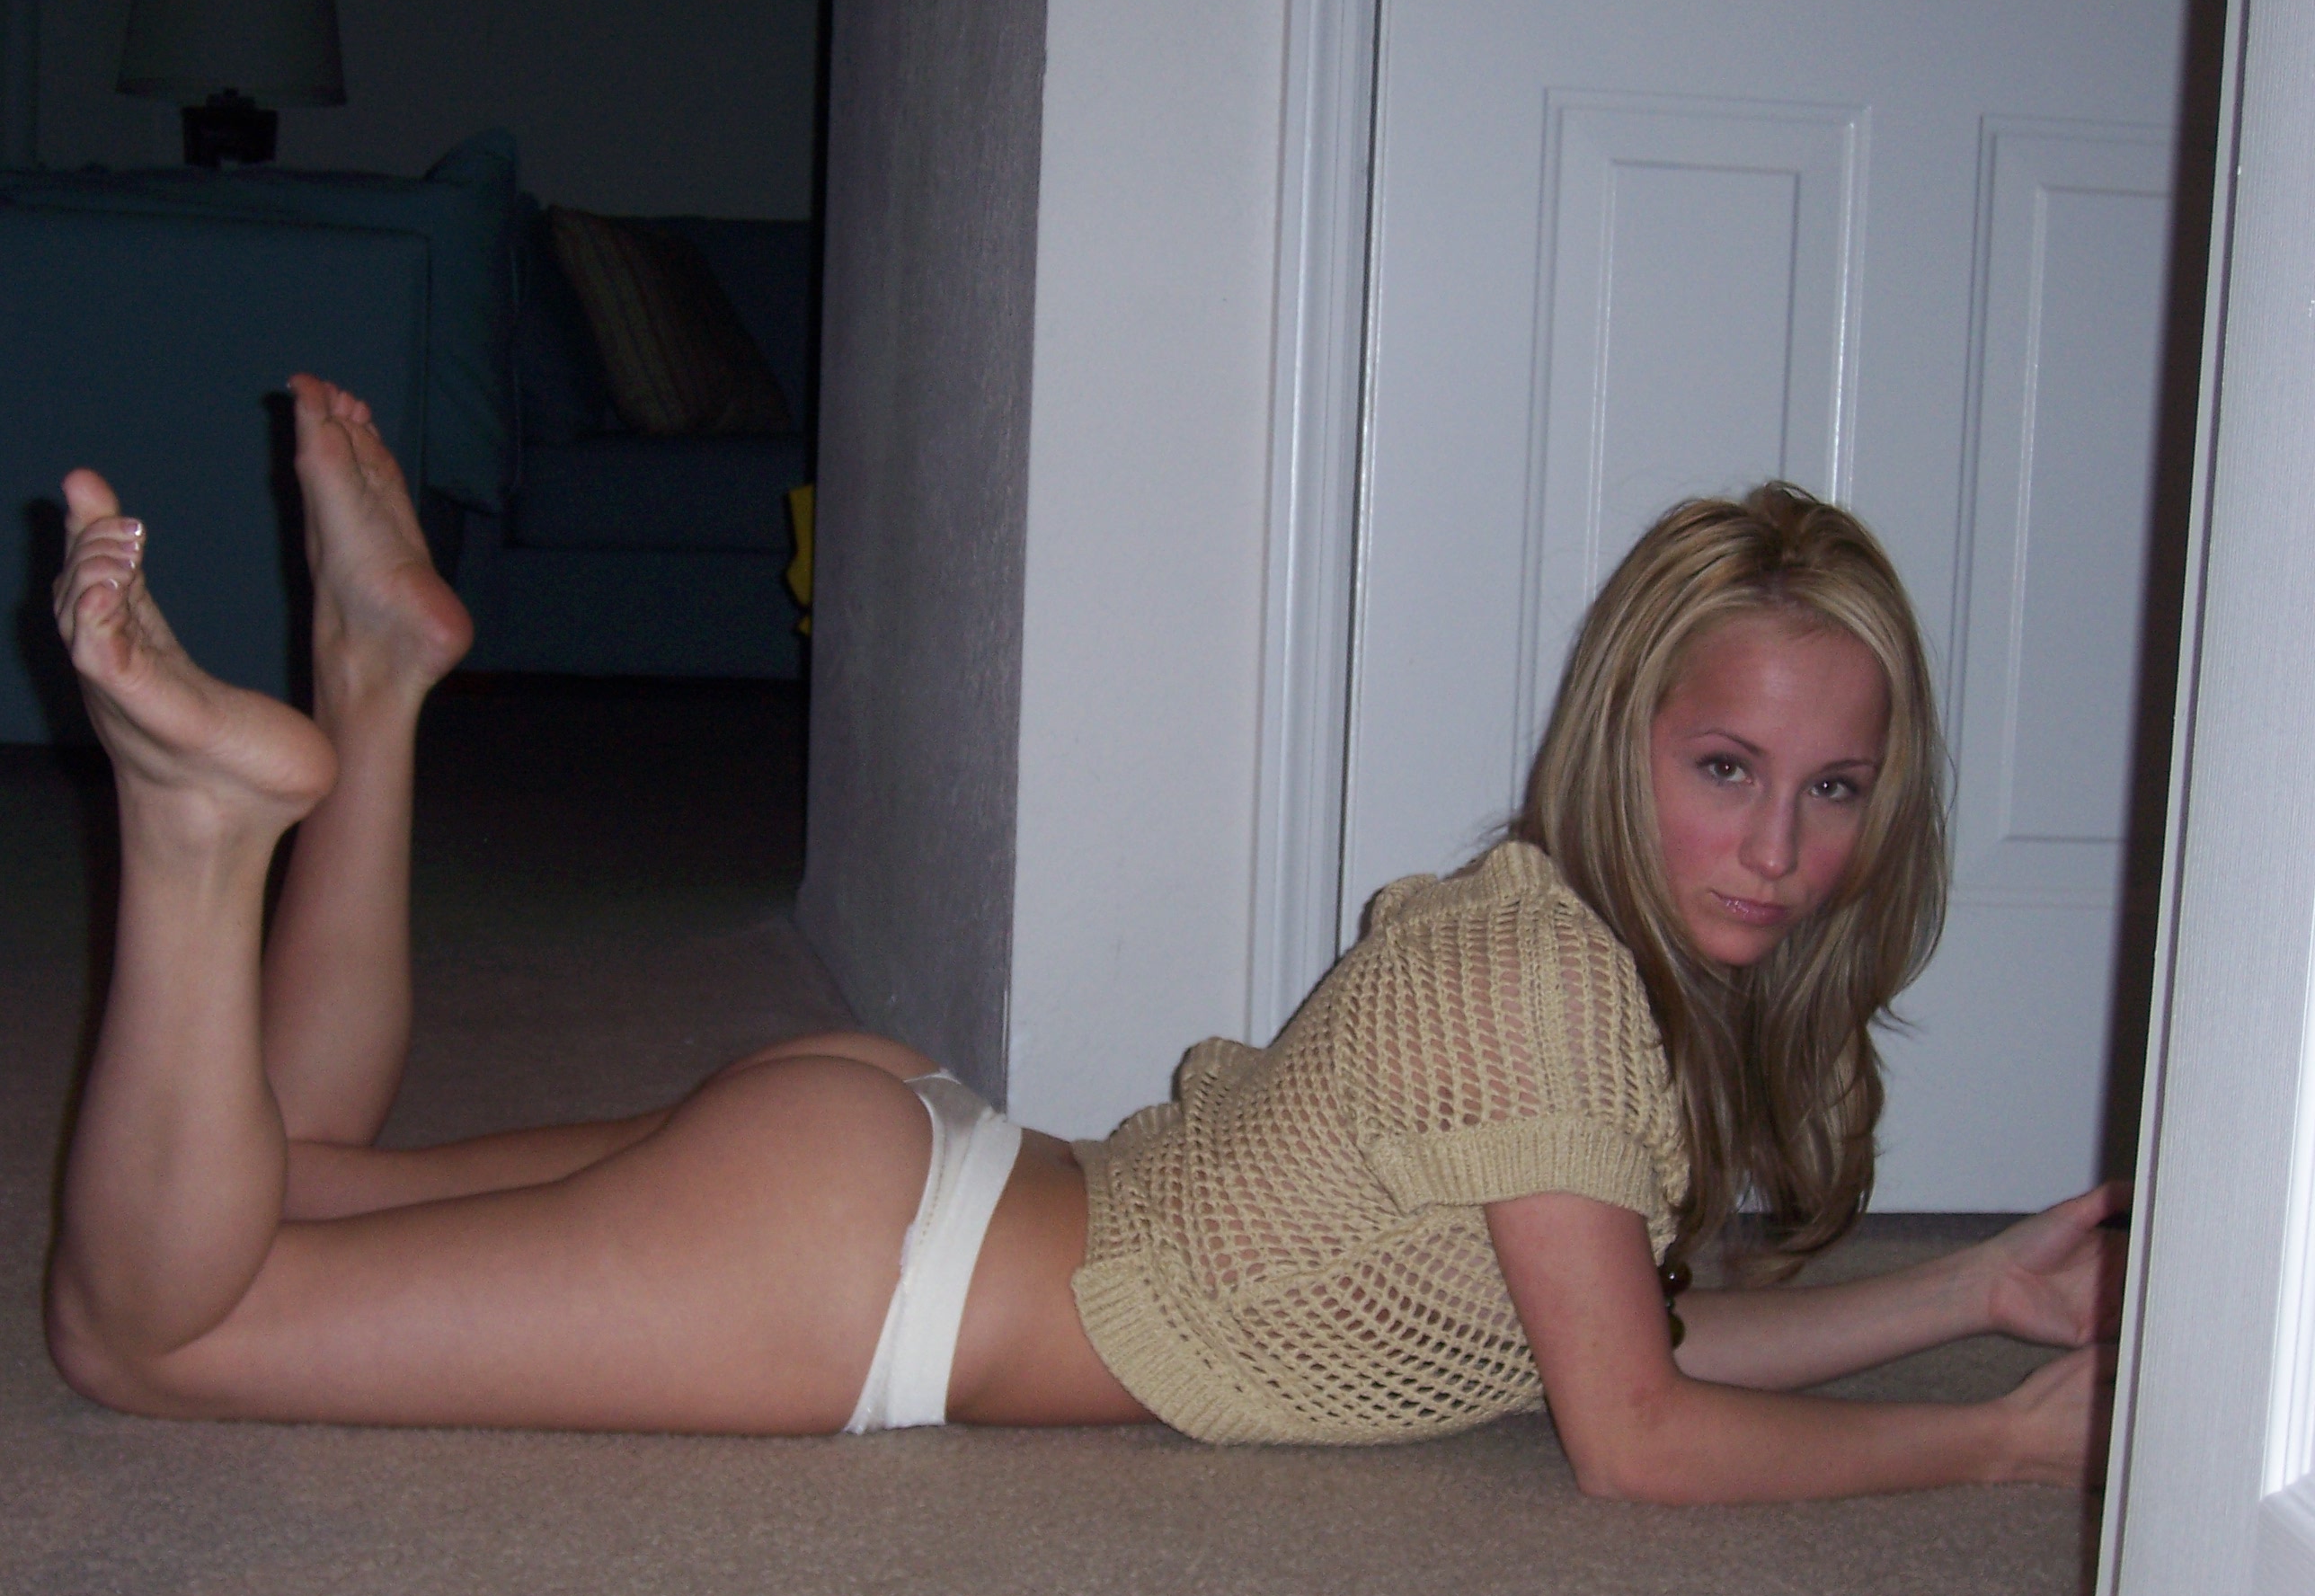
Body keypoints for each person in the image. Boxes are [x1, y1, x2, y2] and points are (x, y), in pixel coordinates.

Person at [41, 377, 2123, 1501]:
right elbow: (1639, 1441)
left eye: (1831, 790)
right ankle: (194, 834)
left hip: (909, 1171)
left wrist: (1962, 1296)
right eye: (1725, 768)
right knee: (149, 1341)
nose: (1774, 846)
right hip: (862, 1269)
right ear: (1623, 734)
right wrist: (1990, 1444)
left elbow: (1624, 1341)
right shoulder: (1552, 995)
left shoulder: (1563, 960)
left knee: (282, 1190)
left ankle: (381, 684)